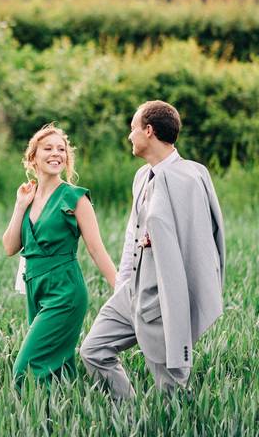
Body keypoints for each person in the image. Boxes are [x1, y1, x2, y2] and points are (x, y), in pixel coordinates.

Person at [79, 100, 226, 399]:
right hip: (131, 293)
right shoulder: (142, 176)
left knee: (171, 387)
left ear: (149, 130)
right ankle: (130, 414)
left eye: (133, 129)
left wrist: (180, 304)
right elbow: (133, 235)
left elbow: (196, 245)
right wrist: (122, 284)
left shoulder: (189, 178)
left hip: (162, 299)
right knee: (93, 350)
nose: (129, 136)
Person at [2, 123, 119, 387]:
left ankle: (29, 421)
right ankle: (68, 416)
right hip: (36, 288)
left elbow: (96, 249)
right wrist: (19, 207)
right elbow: (10, 247)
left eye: (61, 149)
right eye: (48, 148)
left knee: (26, 369)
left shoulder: (75, 198)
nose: (56, 154)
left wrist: (121, 289)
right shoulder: (28, 198)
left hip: (65, 291)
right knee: (57, 369)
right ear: (33, 158)